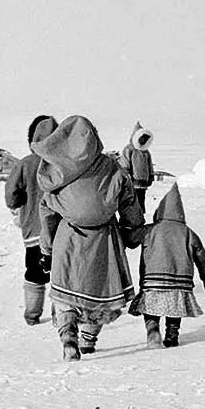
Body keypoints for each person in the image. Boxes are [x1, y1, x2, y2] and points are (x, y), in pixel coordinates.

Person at [35, 116, 145, 361]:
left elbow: (47, 211)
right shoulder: (112, 167)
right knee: (99, 295)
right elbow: (129, 204)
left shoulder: (57, 172)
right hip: (104, 241)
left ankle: (68, 337)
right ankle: (88, 339)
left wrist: (47, 249)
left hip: (68, 238)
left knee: (65, 294)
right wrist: (133, 233)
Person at [125, 183, 205, 348]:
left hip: (153, 280)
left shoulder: (150, 229)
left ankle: (152, 330)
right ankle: (172, 335)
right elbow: (202, 257)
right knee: (175, 307)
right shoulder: (188, 233)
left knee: (151, 306)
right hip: (180, 281)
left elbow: (130, 241)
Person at [5, 114, 58, 325]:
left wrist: (18, 205)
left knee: (35, 272)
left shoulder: (25, 164)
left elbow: (11, 195)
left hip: (33, 230)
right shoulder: (64, 164)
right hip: (60, 230)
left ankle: (32, 314)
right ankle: (60, 315)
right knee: (59, 274)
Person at [118, 121, 155, 213]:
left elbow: (149, 165)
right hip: (133, 183)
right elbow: (125, 164)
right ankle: (133, 221)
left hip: (143, 183)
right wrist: (127, 177)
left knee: (141, 202)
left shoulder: (145, 152)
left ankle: (140, 218)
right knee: (133, 203)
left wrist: (151, 176)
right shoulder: (129, 149)